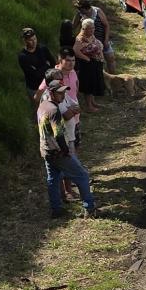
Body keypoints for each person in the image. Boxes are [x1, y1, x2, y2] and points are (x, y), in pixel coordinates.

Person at [37, 71, 97, 219]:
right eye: (59, 93)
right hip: (57, 152)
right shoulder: (54, 111)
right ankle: (89, 208)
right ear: (51, 93)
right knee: (82, 176)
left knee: (53, 179)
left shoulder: (43, 105)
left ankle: (56, 209)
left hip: (45, 150)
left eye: (63, 92)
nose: (62, 96)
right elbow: (58, 135)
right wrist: (66, 152)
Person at [73, 15, 106, 105]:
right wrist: (87, 59)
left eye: (93, 28)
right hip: (87, 65)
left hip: (95, 63)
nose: (92, 30)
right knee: (89, 85)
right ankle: (89, 106)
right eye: (89, 28)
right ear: (84, 29)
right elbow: (76, 51)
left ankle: (93, 102)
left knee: (94, 83)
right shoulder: (80, 38)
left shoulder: (91, 35)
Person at [76, 0, 112, 73]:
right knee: (97, 63)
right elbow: (73, 26)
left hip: (102, 39)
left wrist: (106, 40)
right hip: (88, 43)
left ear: (84, 8)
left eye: (80, 9)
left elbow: (106, 25)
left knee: (110, 58)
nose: (79, 10)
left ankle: (114, 77)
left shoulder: (97, 11)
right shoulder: (80, 14)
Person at [17, 27, 52, 100]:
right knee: (39, 110)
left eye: (35, 39)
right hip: (35, 88)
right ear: (25, 41)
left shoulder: (42, 49)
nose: (34, 41)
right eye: (30, 40)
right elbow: (34, 75)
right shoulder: (23, 57)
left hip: (49, 84)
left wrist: (41, 69)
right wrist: (46, 66)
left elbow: (53, 63)